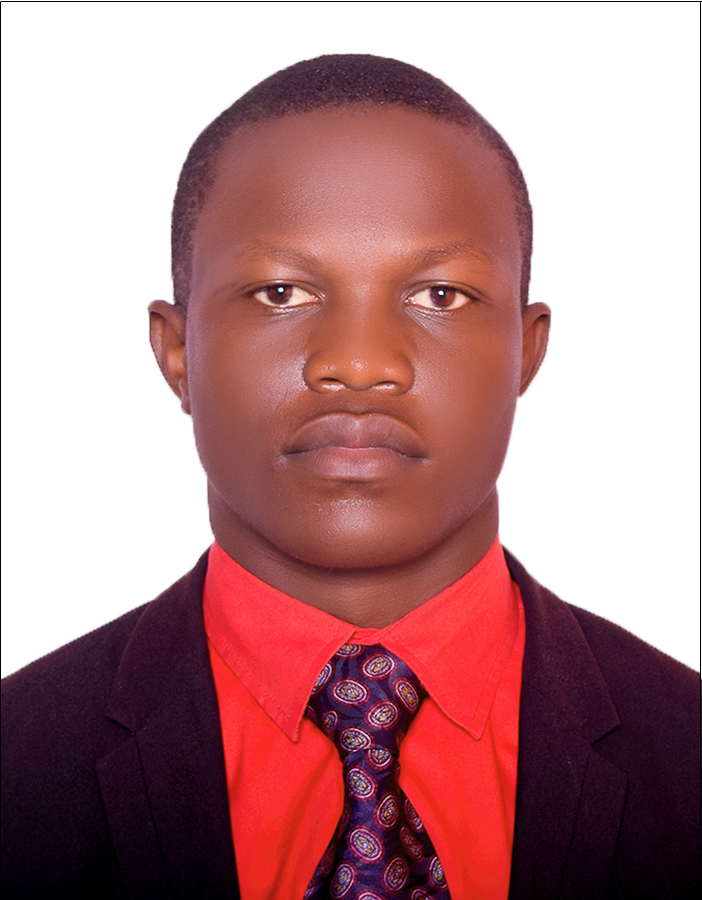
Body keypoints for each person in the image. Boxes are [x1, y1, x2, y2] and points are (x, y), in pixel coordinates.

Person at [2, 54, 699, 900]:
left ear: (528, 349)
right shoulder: (17, 768)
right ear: (177, 352)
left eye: (440, 296)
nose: (360, 363)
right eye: (280, 292)